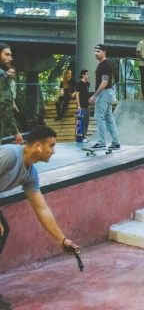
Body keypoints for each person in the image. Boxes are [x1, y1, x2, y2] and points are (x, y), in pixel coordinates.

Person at [0, 125, 80, 309]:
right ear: (37, 146)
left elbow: (41, 208)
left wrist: (62, 240)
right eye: (51, 146)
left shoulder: (31, 175)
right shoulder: (10, 155)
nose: (53, 151)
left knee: (3, 232)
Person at [89, 44, 120, 150]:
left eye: (98, 51)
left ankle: (101, 142)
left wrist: (94, 95)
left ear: (104, 52)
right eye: (95, 51)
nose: (96, 53)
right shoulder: (101, 64)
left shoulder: (106, 65)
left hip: (104, 93)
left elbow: (105, 82)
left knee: (99, 118)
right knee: (109, 118)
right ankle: (115, 142)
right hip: (107, 93)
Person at [0, 43, 23, 144]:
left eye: (11, 55)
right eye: (7, 54)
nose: (11, 58)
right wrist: (16, 131)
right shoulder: (2, 76)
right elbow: (4, 105)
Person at [75, 69, 91, 142]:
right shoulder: (79, 84)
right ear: (83, 75)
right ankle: (80, 137)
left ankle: (84, 136)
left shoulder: (88, 84)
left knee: (87, 121)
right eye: (87, 74)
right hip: (81, 106)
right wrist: (78, 105)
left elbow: (86, 94)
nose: (88, 75)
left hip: (87, 105)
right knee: (81, 121)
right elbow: (77, 95)